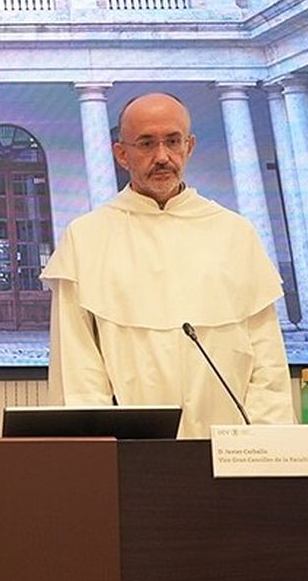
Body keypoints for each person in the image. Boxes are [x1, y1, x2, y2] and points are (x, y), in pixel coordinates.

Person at [42, 92, 293, 437]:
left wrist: (265, 443)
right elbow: (78, 369)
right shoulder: (86, 237)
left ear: (189, 146)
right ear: (121, 154)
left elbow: (267, 361)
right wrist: (100, 447)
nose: (162, 157)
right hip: (130, 447)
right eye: (146, 143)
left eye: (173, 141)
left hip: (231, 445)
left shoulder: (235, 232)